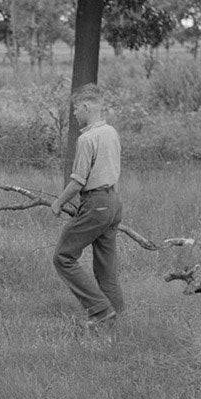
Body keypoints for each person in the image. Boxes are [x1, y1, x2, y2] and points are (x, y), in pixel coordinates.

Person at [51, 84, 124, 326]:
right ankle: (116, 323)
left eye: (75, 109)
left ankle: (99, 310)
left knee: (63, 256)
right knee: (106, 271)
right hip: (114, 203)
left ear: (85, 107)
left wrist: (58, 203)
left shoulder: (87, 138)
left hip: (96, 203)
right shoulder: (111, 132)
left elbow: (78, 181)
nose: (74, 114)